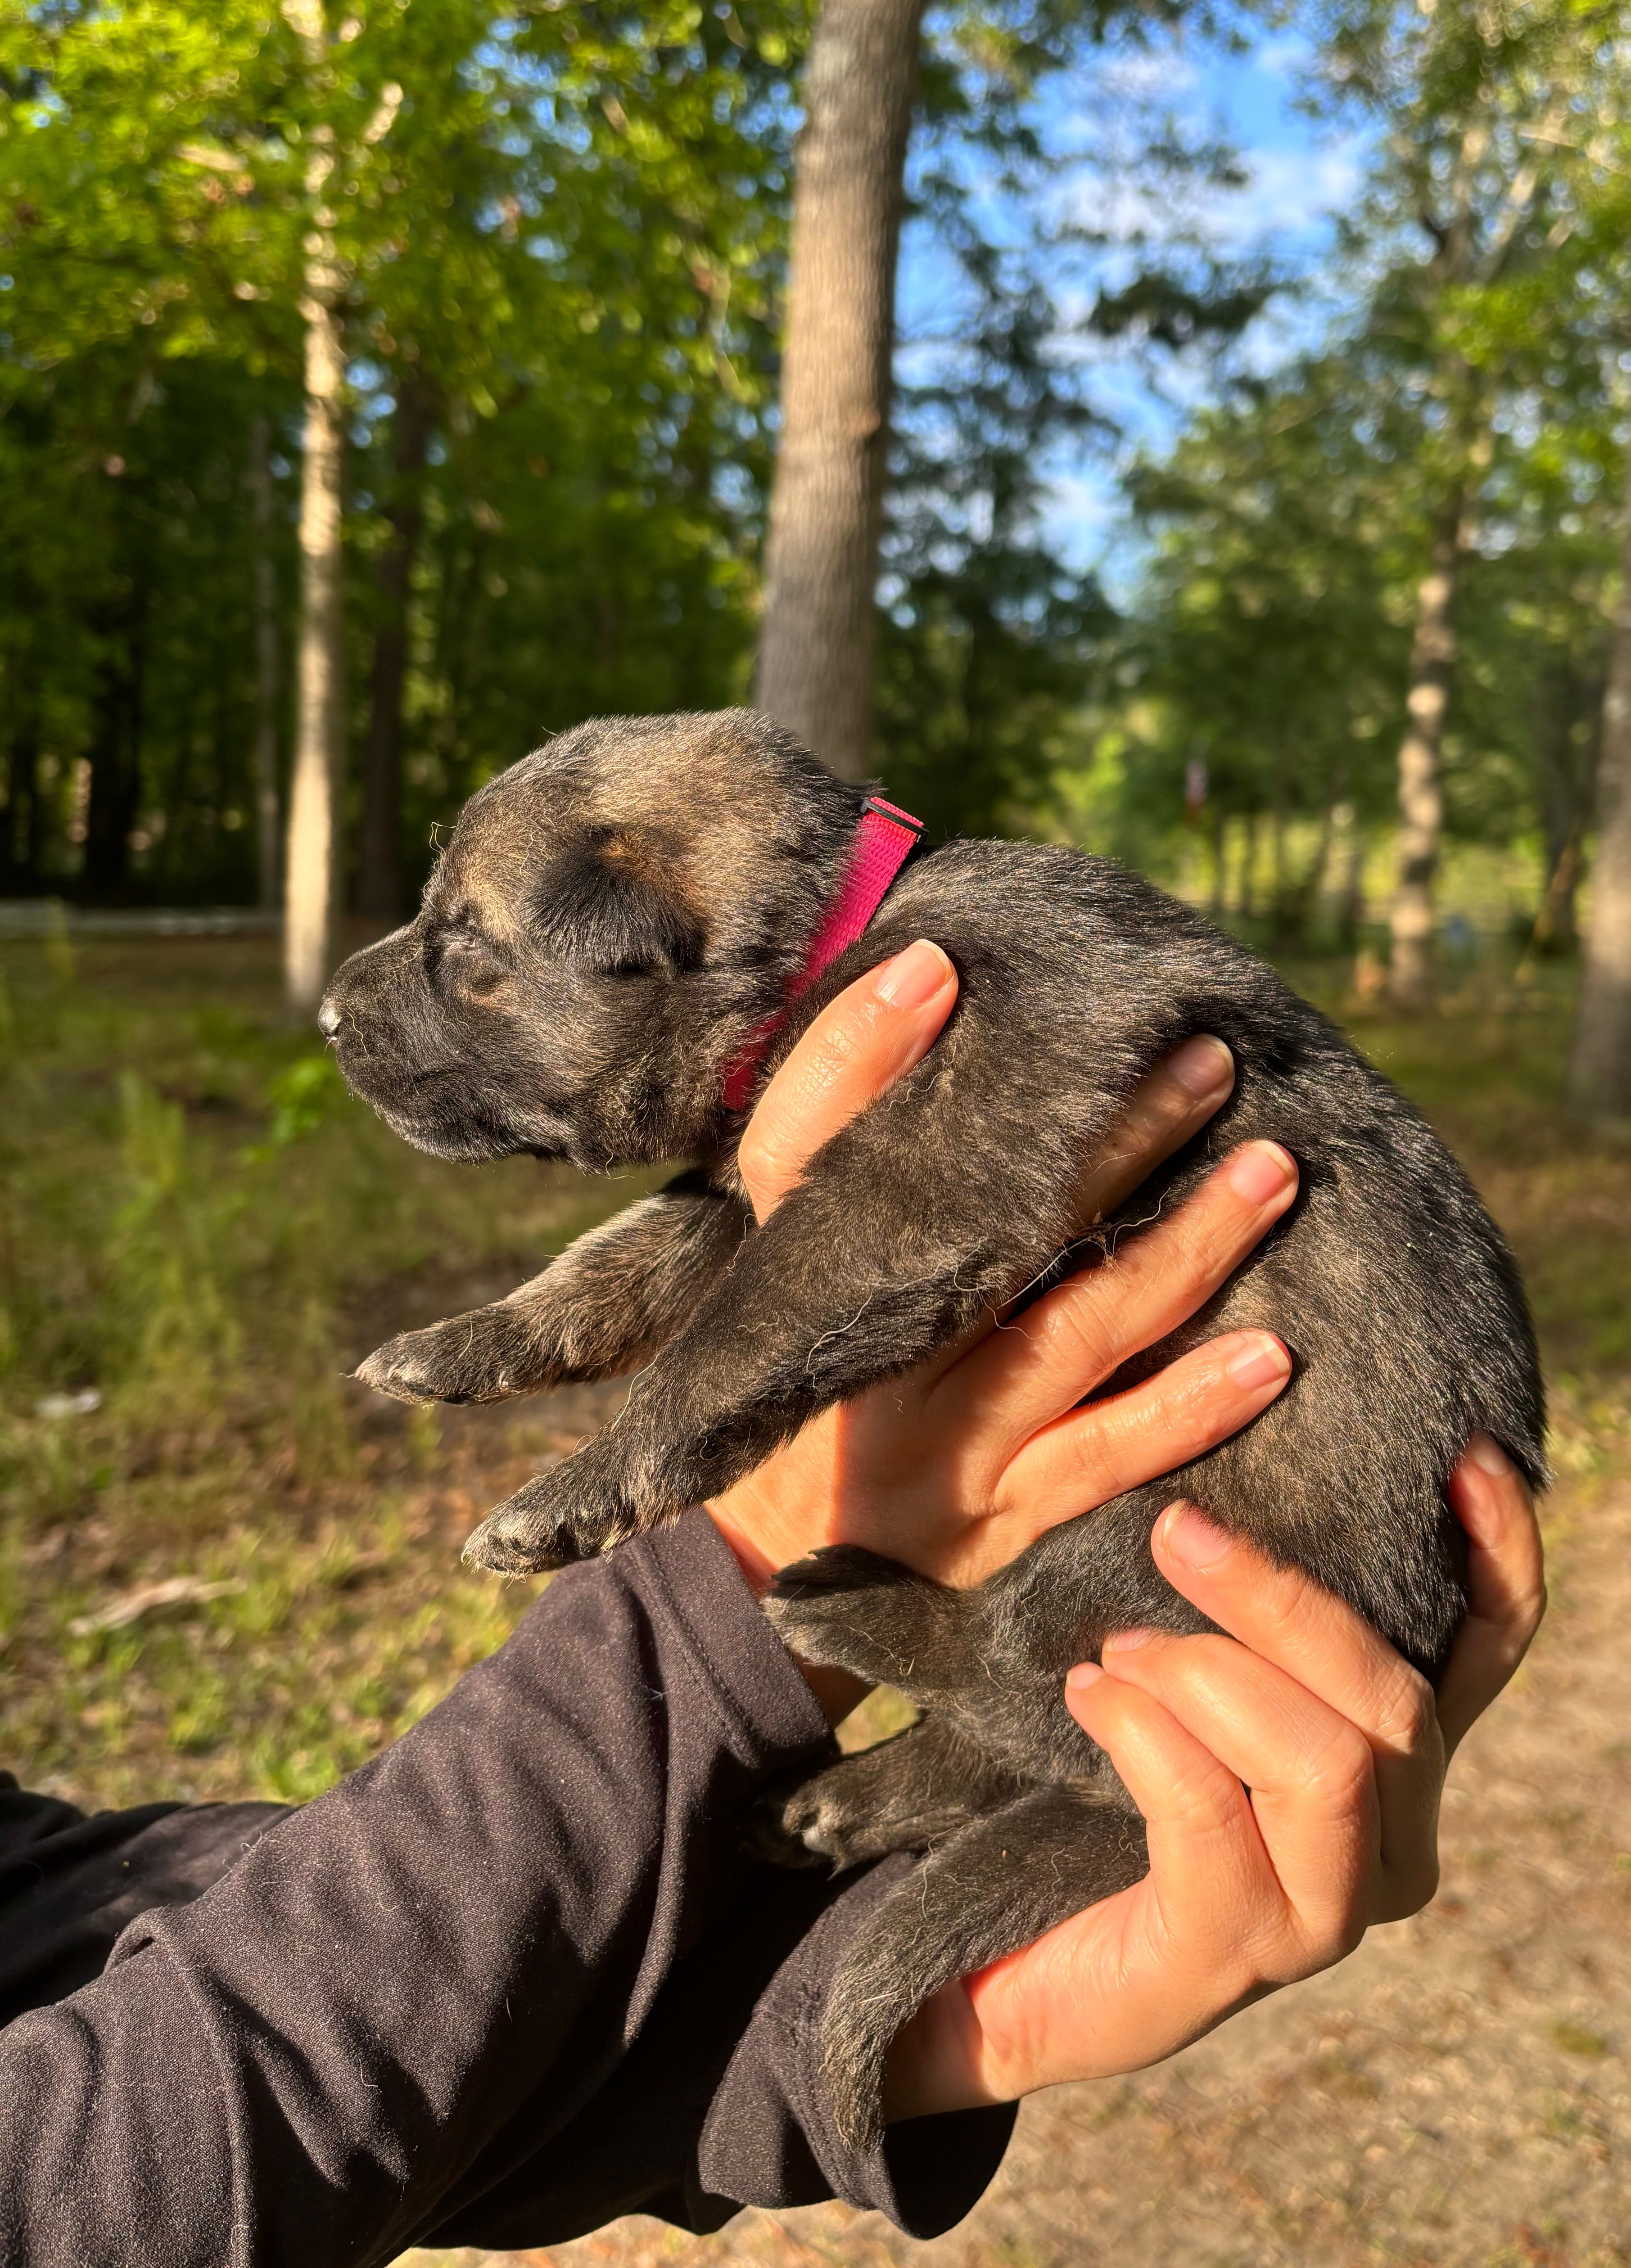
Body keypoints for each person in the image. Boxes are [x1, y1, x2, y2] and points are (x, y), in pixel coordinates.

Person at [0, 942, 1544, 2265]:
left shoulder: (972, 970)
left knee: (1087, 1637)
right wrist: (734, 1560)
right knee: (1056, 1641)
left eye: (473, 959)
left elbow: (74, 1933)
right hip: (1193, 1548)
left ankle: (954, 1748)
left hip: (1298, 1489)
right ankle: (951, 1742)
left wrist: (869, 2010)